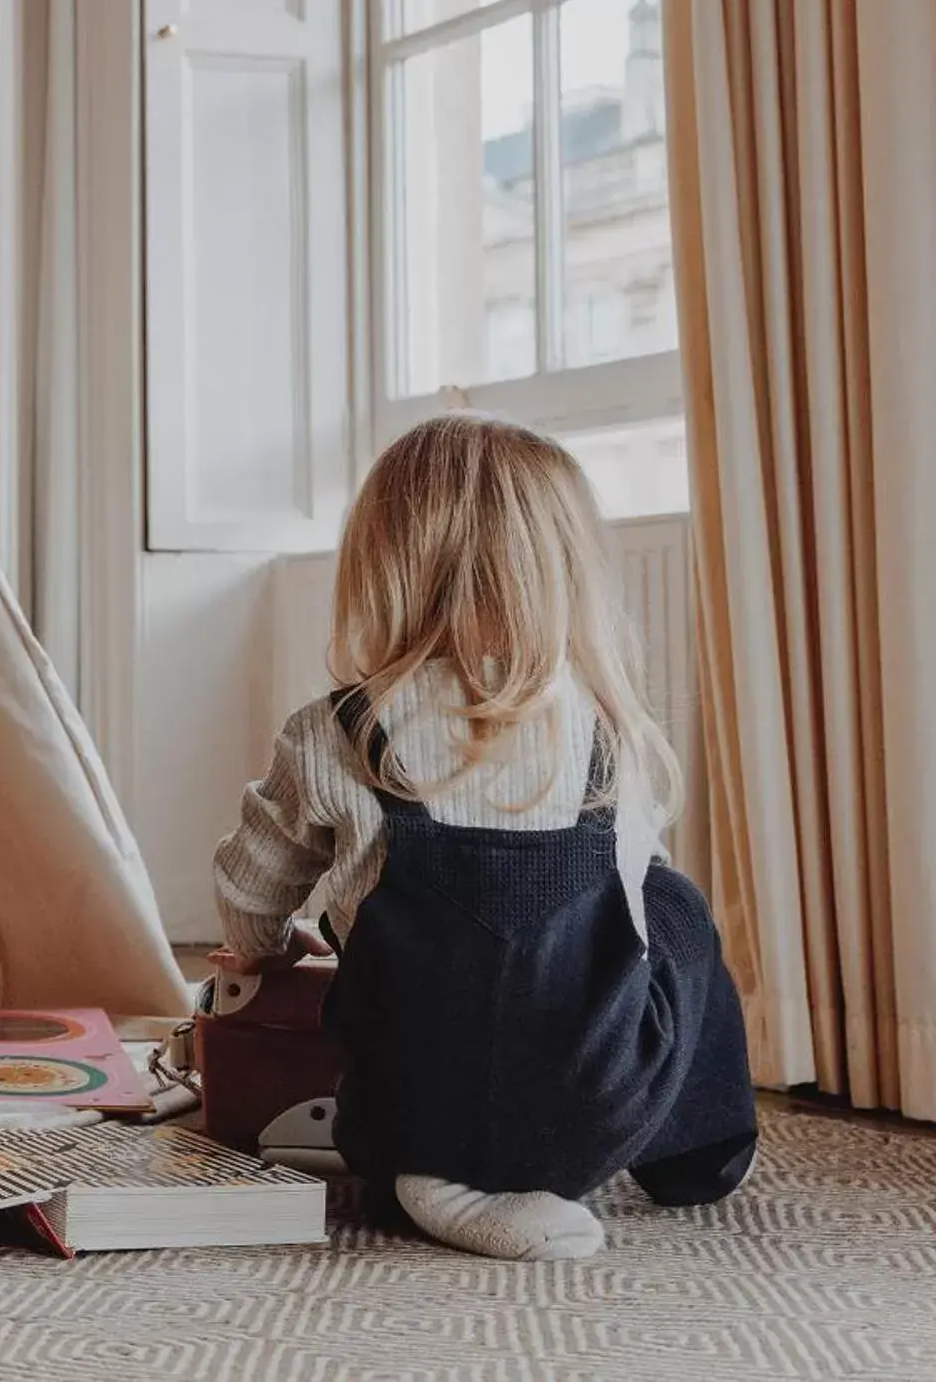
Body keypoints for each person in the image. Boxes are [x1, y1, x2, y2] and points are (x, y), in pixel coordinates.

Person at [210, 412, 757, 1261]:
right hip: (592, 1117)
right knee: (673, 902)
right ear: (563, 570)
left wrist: (263, 949)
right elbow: (634, 920)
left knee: (389, 970)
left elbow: (248, 890)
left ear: (382, 564)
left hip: (398, 1113)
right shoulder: (606, 730)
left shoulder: (337, 731)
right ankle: (694, 1142)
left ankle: (438, 1180)